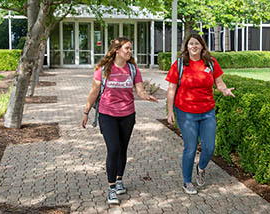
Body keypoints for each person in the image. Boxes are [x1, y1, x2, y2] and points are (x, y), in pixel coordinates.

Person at [81, 37, 158, 205]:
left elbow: (139, 91)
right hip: (107, 114)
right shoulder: (103, 69)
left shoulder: (133, 69)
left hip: (128, 115)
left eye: (131, 49)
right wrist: (86, 111)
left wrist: (146, 96)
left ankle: (120, 180)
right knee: (113, 149)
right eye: (127, 49)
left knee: (123, 149)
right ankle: (111, 188)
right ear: (117, 50)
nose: (130, 52)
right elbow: (94, 92)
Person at [165, 34, 235, 194]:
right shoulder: (180, 64)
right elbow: (171, 89)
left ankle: (201, 168)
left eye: (197, 43)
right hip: (185, 112)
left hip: (207, 111)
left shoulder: (210, 62)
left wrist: (224, 90)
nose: (194, 46)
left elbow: (219, 82)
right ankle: (187, 181)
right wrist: (170, 111)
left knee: (209, 147)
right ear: (186, 47)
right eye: (191, 44)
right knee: (190, 147)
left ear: (202, 46)